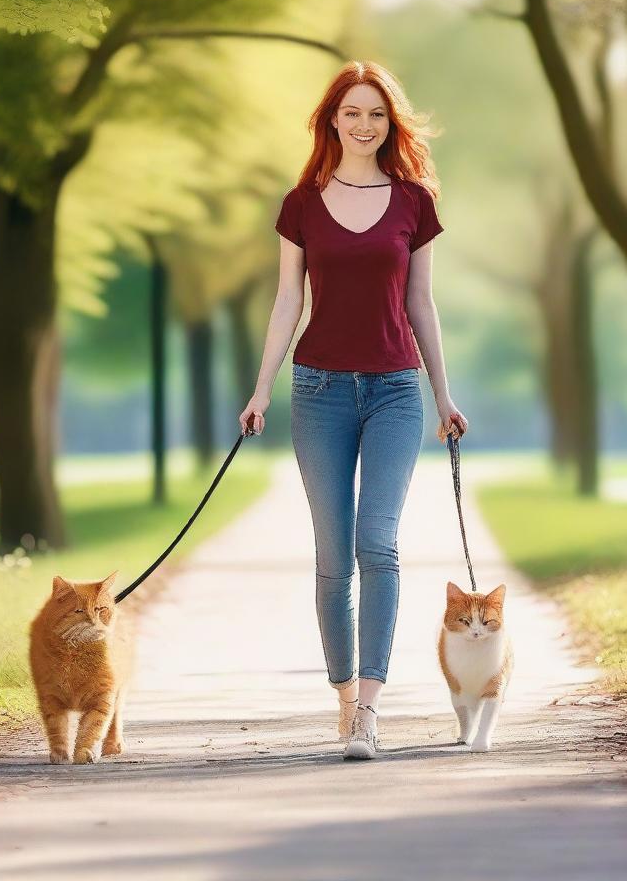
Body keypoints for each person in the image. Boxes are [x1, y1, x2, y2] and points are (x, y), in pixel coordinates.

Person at [239, 60, 468, 761]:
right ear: (331, 120)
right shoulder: (301, 204)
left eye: (376, 114)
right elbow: (288, 301)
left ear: (388, 123)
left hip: (396, 389)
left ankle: (369, 709)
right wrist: (260, 388)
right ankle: (343, 697)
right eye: (351, 113)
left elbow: (421, 304)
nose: (363, 125)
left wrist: (443, 393)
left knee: (380, 543)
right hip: (319, 391)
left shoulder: (413, 203)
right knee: (333, 557)